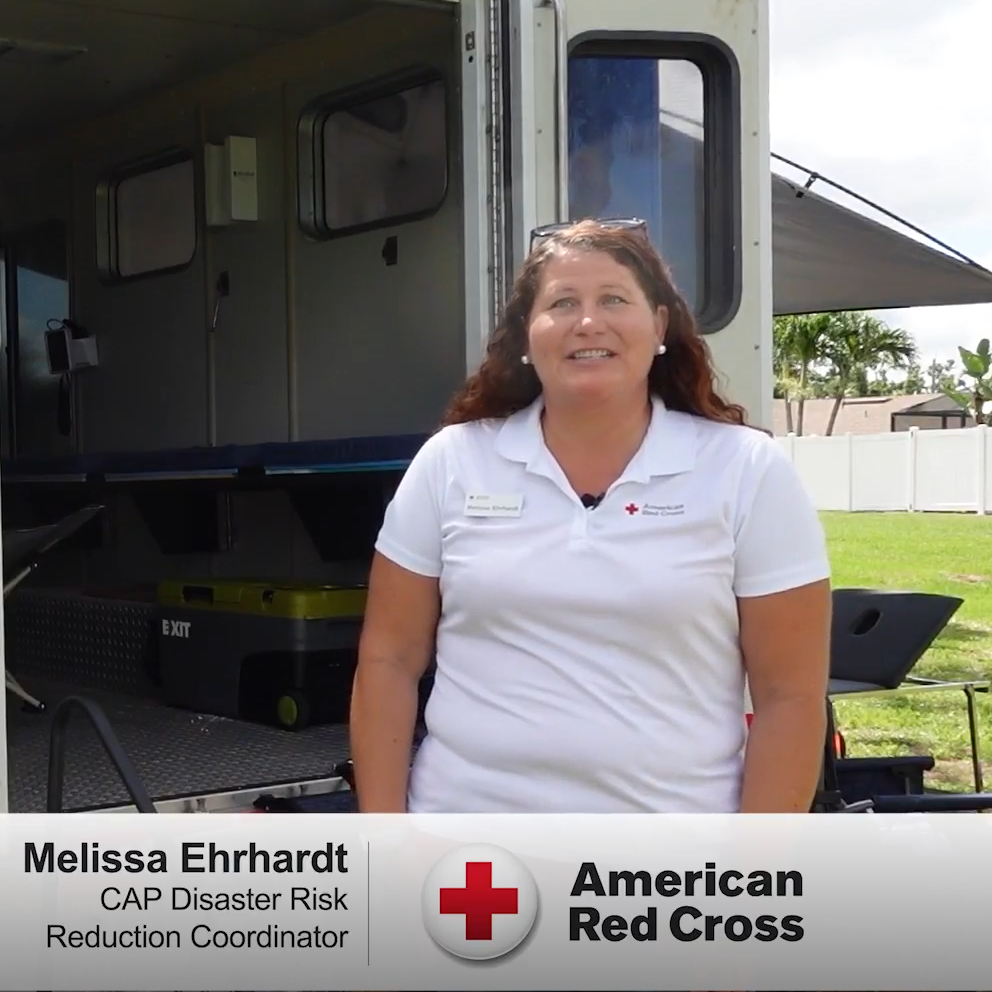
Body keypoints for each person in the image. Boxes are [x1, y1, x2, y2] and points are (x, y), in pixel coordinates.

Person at [349, 218, 832, 815]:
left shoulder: (747, 470)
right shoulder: (453, 461)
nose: (588, 322)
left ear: (658, 325)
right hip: (470, 859)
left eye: (614, 299)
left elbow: (790, 698)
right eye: (562, 303)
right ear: (527, 334)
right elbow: (388, 661)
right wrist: (386, 840)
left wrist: (751, 873)